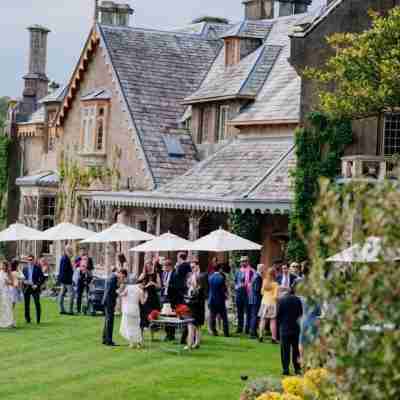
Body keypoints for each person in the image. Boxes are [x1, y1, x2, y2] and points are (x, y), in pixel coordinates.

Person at [277, 285, 303, 376]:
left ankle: (285, 369)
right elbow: (300, 313)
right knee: (296, 350)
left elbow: (278, 315)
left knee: (285, 350)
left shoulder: (281, 300)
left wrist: (280, 324)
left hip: (284, 327)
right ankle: (297, 368)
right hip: (295, 328)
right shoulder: (298, 300)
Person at [102, 268, 126, 346]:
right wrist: (119, 292)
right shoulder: (113, 278)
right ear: (121, 273)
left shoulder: (111, 276)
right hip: (109, 301)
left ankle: (105, 339)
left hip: (107, 300)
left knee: (107, 320)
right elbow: (111, 291)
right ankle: (109, 340)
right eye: (123, 276)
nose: (122, 278)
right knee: (110, 321)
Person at [119, 280, 147, 348]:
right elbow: (142, 302)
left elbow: (122, 295)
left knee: (129, 327)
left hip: (127, 309)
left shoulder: (128, 287)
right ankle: (138, 343)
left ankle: (131, 343)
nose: (143, 287)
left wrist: (119, 291)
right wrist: (146, 297)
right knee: (136, 327)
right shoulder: (140, 291)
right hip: (135, 309)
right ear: (141, 284)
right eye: (143, 285)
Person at [234, 256, 255, 334]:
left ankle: (247, 328)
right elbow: (235, 282)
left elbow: (254, 281)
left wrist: (249, 284)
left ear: (248, 261)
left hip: (248, 293)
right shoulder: (238, 271)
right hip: (239, 292)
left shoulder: (252, 271)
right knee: (239, 311)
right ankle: (239, 328)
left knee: (248, 311)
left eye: (245, 261)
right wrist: (238, 286)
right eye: (242, 261)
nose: (243, 262)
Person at [138, 261, 161, 330]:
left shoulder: (156, 274)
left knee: (154, 311)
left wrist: (153, 283)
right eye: (147, 266)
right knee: (146, 311)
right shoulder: (143, 274)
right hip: (145, 296)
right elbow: (138, 284)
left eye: (150, 266)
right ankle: (145, 326)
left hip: (153, 296)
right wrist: (145, 286)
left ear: (152, 266)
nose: (149, 267)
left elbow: (159, 286)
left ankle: (154, 326)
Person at [22, 255, 45, 324]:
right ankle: (27, 319)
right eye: (28, 260)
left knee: (37, 303)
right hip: (27, 287)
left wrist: (37, 285)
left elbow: (42, 278)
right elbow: (22, 278)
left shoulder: (37, 268)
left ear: (34, 260)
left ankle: (38, 319)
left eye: (31, 259)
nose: (30, 261)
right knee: (26, 304)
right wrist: (24, 281)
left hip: (35, 288)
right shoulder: (24, 268)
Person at [185, 273, 205, 350]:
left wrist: (188, 301)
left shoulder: (198, 290)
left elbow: (196, 301)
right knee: (197, 327)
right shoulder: (196, 289)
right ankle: (197, 343)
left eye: (193, 279)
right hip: (197, 311)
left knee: (191, 327)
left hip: (195, 312)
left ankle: (189, 345)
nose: (191, 281)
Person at [259, 268, 279, 343]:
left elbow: (261, 292)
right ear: (274, 274)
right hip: (272, 303)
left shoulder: (264, 281)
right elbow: (276, 296)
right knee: (273, 321)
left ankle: (260, 336)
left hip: (264, 302)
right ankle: (273, 338)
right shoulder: (275, 284)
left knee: (263, 320)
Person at [208, 264, 230, 337]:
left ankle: (214, 331)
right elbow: (223, 289)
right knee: (224, 317)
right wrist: (226, 294)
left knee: (212, 317)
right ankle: (226, 332)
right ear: (219, 269)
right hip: (220, 300)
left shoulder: (210, 277)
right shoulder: (221, 277)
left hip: (211, 299)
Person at [58, 245, 74, 315]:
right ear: (68, 250)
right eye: (71, 251)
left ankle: (62, 309)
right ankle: (70, 310)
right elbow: (64, 270)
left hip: (64, 279)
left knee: (62, 294)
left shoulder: (64, 257)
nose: (72, 252)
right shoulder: (65, 258)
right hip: (67, 279)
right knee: (71, 294)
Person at [248, 264, 264, 338]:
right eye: (263, 268)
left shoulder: (255, 275)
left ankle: (253, 331)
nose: (264, 270)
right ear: (260, 269)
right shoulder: (258, 277)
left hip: (253, 298)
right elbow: (257, 289)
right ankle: (253, 332)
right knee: (255, 316)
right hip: (256, 299)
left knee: (253, 315)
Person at [0, 262, 16, 328]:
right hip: (1, 291)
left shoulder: (9, 273)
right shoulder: (0, 273)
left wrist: (8, 282)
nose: (2, 266)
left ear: (6, 266)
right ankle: (3, 322)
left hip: (7, 292)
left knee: (8, 307)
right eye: (1, 265)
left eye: (3, 265)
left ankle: (11, 322)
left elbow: (13, 283)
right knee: (3, 307)